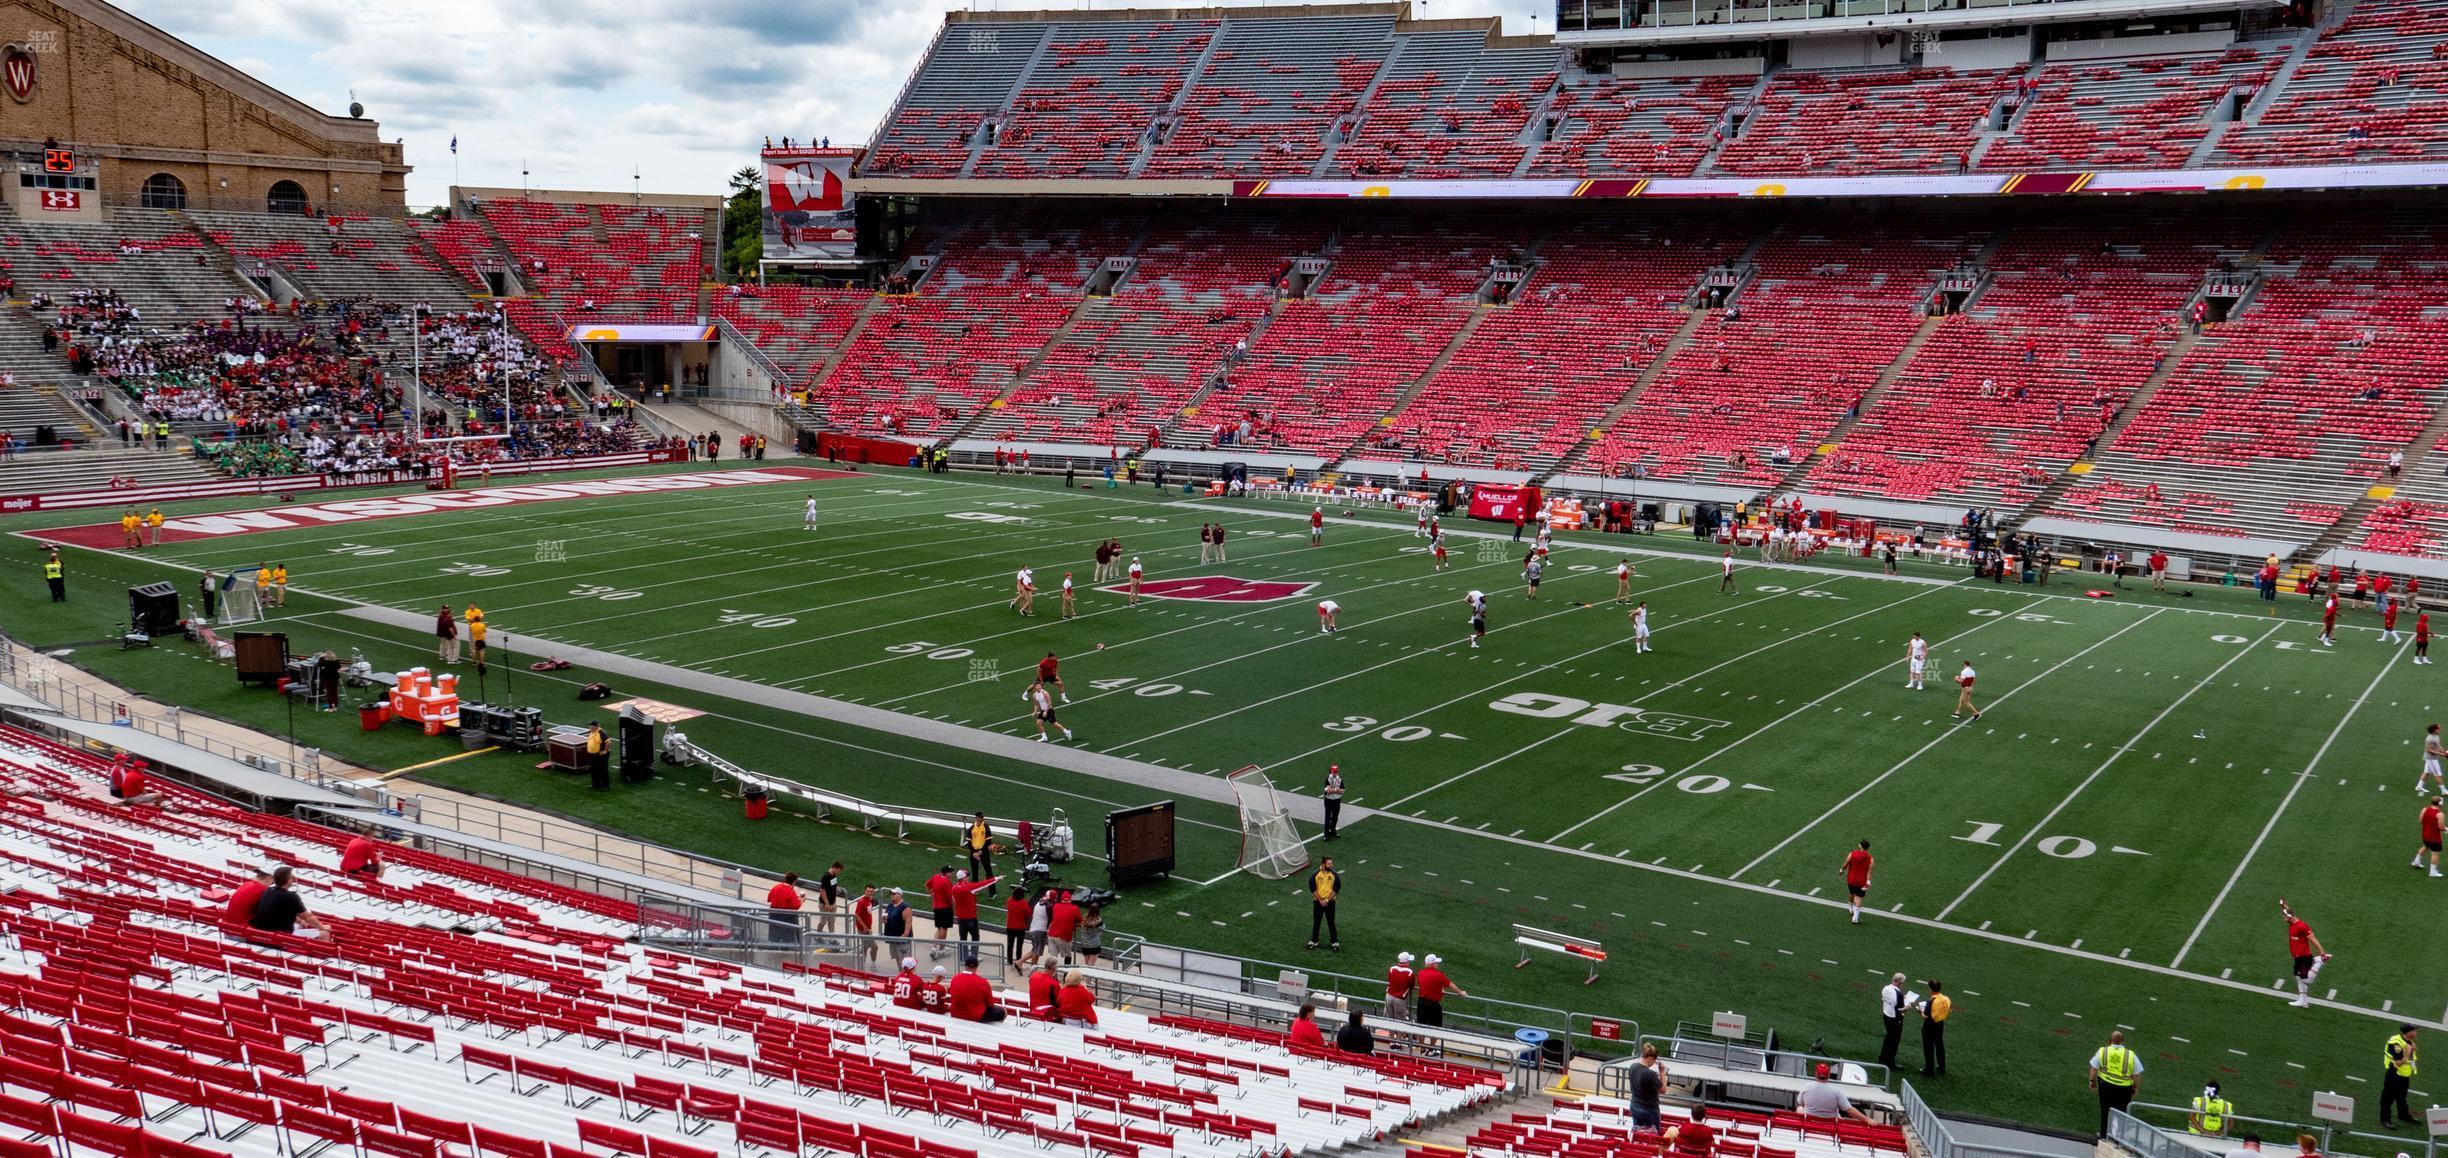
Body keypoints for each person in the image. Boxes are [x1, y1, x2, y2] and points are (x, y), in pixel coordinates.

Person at [2089, 1030, 2144, 1136]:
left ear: (2109, 1041)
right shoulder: (2130, 1055)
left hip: (2105, 1086)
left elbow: (2093, 1068)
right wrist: (2135, 1087)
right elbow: (2137, 1074)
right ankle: (2117, 1136)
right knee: (2121, 1113)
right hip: (2124, 1089)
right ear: (2123, 1041)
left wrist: (2092, 1081)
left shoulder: (2103, 1051)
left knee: (2105, 1110)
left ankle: (2104, 1134)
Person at [248, 866, 326, 939]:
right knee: (325, 933)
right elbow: (308, 917)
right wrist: (322, 927)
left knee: (300, 925)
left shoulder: (268, 891)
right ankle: (322, 953)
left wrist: (300, 921)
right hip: (278, 937)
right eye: (292, 877)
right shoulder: (291, 896)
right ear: (288, 881)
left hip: (259, 932)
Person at [2282, 899, 2329, 1007]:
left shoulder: (2302, 926)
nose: (2283, 918)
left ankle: (2319, 962)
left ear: (2290, 916)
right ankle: (2303, 1001)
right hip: (2297, 957)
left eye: (2284, 916)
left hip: (2304, 957)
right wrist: (2283, 905)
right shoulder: (2291, 922)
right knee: (2297, 976)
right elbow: (2288, 911)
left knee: (2307, 980)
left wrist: (2322, 954)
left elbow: (2313, 940)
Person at [1799, 1064, 1872, 1123]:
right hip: (1831, 1123)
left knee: (1799, 1108)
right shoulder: (1836, 1091)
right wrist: (1867, 1119)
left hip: (1809, 1121)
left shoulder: (1806, 1087)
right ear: (1828, 1075)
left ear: (1816, 1074)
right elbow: (1850, 1110)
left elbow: (1801, 1103)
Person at [2381, 1024, 2419, 1129]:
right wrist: (2407, 1053)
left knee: (2402, 1097)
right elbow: (2398, 1062)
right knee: (2387, 1098)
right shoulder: (2396, 1043)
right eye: (2414, 1031)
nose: (2416, 1033)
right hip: (2394, 1074)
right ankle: (2385, 1119)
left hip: (2404, 1075)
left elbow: (2411, 1057)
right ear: (2408, 1032)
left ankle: (2403, 1115)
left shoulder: (2408, 1041)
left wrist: (2412, 1050)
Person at [1877, 972, 1916, 1070]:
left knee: (1888, 1038)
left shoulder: (1886, 988)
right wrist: (1909, 1005)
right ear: (1900, 982)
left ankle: (1882, 1057)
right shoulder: (1898, 994)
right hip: (1895, 1019)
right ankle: (1890, 1063)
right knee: (1894, 1041)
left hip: (1886, 1015)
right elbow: (1901, 1009)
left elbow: (1886, 1000)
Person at [947, 958, 1003, 1023]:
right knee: (1003, 1011)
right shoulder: (982, 982)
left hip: (955, 1014)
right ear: (976, 967)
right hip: (976, 1017)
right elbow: (990, 1004)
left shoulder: (954, 979)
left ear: (965, 966)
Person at [1416, 953, 1464, 1028]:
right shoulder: (1438, 974)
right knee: (1435, 1028)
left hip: (1421, 1003)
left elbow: (1425, 984)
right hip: (1433, 1005)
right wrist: (1460, 992)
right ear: (1432, 964)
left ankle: (1421, 1040)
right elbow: (1450, 984)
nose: (1437, 964)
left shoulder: (1420, 973)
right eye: (1436, 963)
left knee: (1421, 1027)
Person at [1308, 856, 1341, 951]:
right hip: (1318, 902)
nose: (1331, 865)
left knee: (1331, 922)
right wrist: (1320, 900)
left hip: (1330, 902)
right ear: (1323, 864)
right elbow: (1313, 889)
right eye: (1329, 864)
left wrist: (1326, 900)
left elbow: (1336, 889)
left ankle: (1334, 941)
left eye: (1331, 863)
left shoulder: (1334, 874)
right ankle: (1314, 941)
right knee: (1317, 922)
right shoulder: (1315, 874)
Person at [1920, 979, 1950, 1077]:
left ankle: (1929, 1069)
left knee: (1928, 1047)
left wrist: (1920, 1012)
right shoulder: (1946, 999)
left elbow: (1925, 1015)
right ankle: (1942, 1067)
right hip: (1940, 1024)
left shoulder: (1931, 1001)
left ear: (1931, 989)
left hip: (1929, 1026)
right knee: (1939, 1045)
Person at [924, 866, 956, 955]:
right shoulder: (947, 882)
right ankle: (941, 949)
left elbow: (927, 884)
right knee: (944, 929)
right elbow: (950, 897)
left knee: (939, 928)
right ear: (946, 873)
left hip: (936, 907)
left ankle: (934, 948)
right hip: (945, 908)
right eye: (951, 872)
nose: (952, 873)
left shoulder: (935, 877)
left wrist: (931, 894)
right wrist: (956, 905)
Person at [1045, 890, 1082, 965]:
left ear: (1061, 899)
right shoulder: (1075, 908)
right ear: (1070, 899)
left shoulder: (1056, 906)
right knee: (1068, 956)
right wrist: (1074, 924)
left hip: (1051, 935)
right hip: (1064, 937)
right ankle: (1065, 975)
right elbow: (1081, 921)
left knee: (1053, 958)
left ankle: (1053, 975)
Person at [1843, 840, 1874, 924]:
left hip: (1852, 880)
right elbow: (1869, 871)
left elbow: (1846, 863)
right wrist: (1868, 883)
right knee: (1859, 897)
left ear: (1860, 845)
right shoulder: (1870, 859)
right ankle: (1855, 917)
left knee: (1852, 894)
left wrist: (1842, 870)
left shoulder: (1852, 854)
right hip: (1862, 882)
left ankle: (1850, 906)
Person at [767, 872, 804, 942]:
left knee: (774, 937)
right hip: (787, 918)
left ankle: (773, 949)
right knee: (786, 938)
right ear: (794, 881)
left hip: (773, 915)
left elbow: (769, 899)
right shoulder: (791, 891)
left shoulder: (776, 887)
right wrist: (802, 899)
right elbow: (797, 906)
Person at [880, 887, 913, 963]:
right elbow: (885, 917)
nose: (891, 895)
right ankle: (901, 973)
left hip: (901, 939)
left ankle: (908, 974)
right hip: (892, 938)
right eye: (891, 894)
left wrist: (904, 936)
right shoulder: (890, 905)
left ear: (900, 895)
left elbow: (908, 922)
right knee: (898, 958)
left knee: (906, 961)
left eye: (894, 894)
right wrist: (884, 920)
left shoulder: (905, 907)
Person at [1383, 951, 1416, 1022]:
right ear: (1406, 961)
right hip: (1400, 999)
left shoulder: (1392, 969)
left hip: (1389, 996)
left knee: (1388, 1020)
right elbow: (1412, 986)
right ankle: (1398, 1033)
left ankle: (1390, 1033)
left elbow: (1389, 981)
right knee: (1399, 1022)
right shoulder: (1410, 972)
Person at [2416, 797, 2445, 877]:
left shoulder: (2425, 809)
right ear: (2440, 803)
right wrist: (2446, 829)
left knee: (2426, 846)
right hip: (2434, 837)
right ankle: (2433, 872)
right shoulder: (2440, 814)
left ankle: (2417, 861)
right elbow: (2441, 827)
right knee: (2435, 854)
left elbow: (2421, 821)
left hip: (2425, 834)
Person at [965, 812, 995, 884]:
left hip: (984, 852)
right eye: (980, 817)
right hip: (974, 853)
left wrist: (979, 852)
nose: (981, 819)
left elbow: (988, 842)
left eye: (982, 817)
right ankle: (975, 889)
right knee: (974, 872)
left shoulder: (986, 827)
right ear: (976, 818)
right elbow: (969, 842)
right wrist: (973, 853)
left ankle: (992, 892)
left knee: (988, 872)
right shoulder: (972, 828)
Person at [1004, 888, 1032, 964]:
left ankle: (1009, 961)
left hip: (1010, 927)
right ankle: (1018, 961)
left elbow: (1007, 907)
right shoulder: (1023, 902)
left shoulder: (1009, 900)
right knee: (1019, 946)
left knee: (1010, 945)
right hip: (1020, 928)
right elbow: (1029, 913)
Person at [2420, 725, 2446, 796]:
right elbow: (2429, 750)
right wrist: (2441, 754)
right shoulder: (2430, 739)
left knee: (2427, 772)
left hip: (2433, 758)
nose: (2440, 730)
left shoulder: (2436, 736)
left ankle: (2419, 786)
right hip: (2431, 758)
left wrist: (2444, 752)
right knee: (2438, 774)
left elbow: (2439, 745)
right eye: (2438, 729)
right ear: (2434, 730)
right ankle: (2444, 791)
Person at [1322, 764, 1344, 839]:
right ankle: (1326, 834)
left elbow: (1342, 791)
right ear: (1331, 771)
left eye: (1336, 771)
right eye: (1334, 771)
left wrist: (1333, 790)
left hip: (1337, 800)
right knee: (1327, 818)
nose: (1335, 773)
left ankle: (1333, 831)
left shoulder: (1339, 779)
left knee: (1335, 817)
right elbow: (1328, 791)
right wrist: (1336, 790)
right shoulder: (1328, 779)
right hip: (1328, 800)